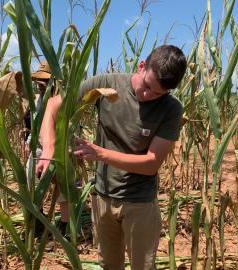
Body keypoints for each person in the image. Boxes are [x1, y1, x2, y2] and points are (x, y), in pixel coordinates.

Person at [37, 45, 187, 270]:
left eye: (158, 93)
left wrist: (100, 154)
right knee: (108, 265)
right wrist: (49, 147)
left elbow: (150, 164)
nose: (148, 96)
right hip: (103, 199)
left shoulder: (171, 109)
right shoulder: (106, 84)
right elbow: (52, 106)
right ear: (141, 66)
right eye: (147, 86)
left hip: (140, 203)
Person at [25, 61, 69, 237]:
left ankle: (64, 228)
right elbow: (32, 123)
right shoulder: (36, 99)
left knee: (63, 191)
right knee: (33, 187)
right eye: (38, 80)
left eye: (45, 81)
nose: (40, 84)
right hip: (36, 150)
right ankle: (39, 222)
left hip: (58, 150)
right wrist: (27, 139)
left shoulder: (62, 100)